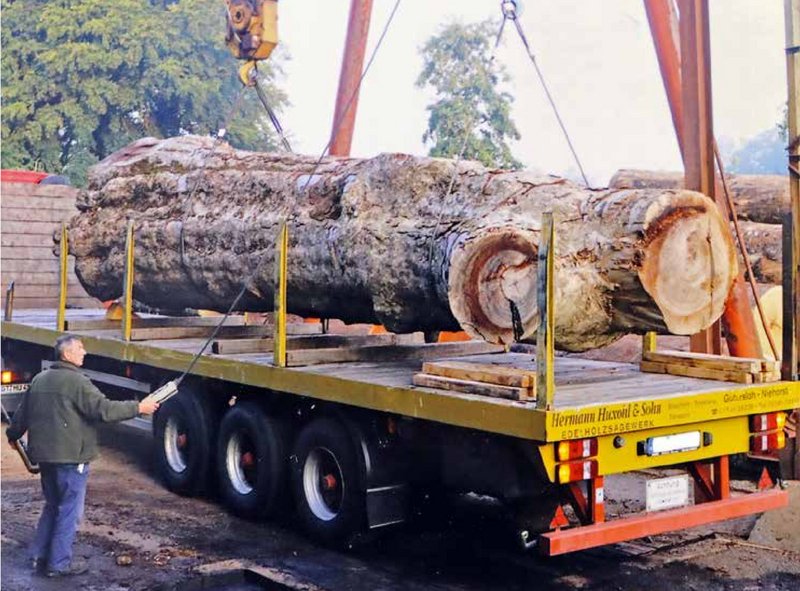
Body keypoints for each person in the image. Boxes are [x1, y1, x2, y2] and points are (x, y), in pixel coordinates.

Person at [6, 334, 160, 577]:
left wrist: (13, 436)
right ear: (66, 355)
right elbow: (105, 410)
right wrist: (139, 408)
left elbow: (20, 418)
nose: (84, 352)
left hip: (45, 457)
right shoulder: (78, 383)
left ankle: (39, 556)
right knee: (69, 511)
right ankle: (59, 564)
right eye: (80, 348)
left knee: (53, 505)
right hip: (71, 458)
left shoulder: (39, 379)